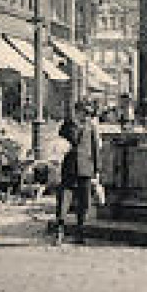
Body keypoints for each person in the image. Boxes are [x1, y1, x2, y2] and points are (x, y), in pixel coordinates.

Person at [54, 100, 102, 245]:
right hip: (69, 167)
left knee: (84, 202)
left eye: (88, 113)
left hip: (86, 169)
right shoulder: (67, 126)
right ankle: (60, 230)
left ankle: (80, 232)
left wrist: (97, 170)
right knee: (64, 200)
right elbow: (60, 144)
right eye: (83, 112)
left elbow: (95, 149)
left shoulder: (92, 127)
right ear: (76, 111)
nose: (86, 115)